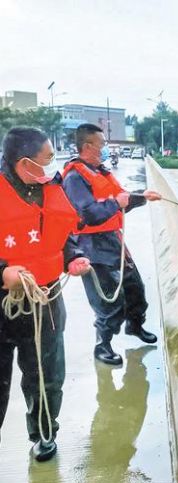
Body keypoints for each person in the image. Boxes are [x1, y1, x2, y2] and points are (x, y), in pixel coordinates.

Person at [0, 127, 91, 461]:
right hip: (4, 303)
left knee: (47, 376)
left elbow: (61, 232)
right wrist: (3, 273)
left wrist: (73, 256)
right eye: (48, 158)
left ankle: (44, 432)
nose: (54, 164)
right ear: (24, 163)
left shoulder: (51, 187)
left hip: (46, 299)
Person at [62, 124, 161, 366]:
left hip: (113, 240)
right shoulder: (75, 178)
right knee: (107, 300)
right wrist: (116, 203)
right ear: (88, 146)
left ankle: (135, 326)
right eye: (102, 144)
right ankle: (102, 345)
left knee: (135, 287)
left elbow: (120, 199)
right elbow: (88, 214)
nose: (105, 148)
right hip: (91, 246)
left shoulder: (100, 172)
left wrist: (142, 196)